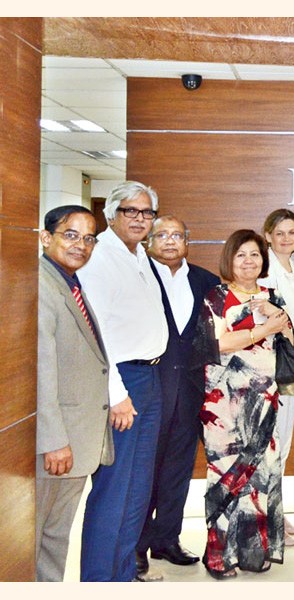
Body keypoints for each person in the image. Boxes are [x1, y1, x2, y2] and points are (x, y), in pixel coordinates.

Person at [76, 181, 168, 582]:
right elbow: (97, 334)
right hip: (123, 382)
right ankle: (99, 580)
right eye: (131, 211)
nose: (140, 219)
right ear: (111, 214)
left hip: (150, 376)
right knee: (114, 489)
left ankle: (123, 574)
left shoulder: (140, 257)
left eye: (147, 213)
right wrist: (116, 394)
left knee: (137, 488)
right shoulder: (100, 257)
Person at [197, 229, 292, 579]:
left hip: (265, 398)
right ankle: (218, 555)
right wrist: (261, 330)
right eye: (241, 255)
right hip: (224, 403)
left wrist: (273, 315)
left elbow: (291, 342)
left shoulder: (272, 295)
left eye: (254, 255)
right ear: (229, 260)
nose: (248, 261)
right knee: (226, 474)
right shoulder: (216, 297)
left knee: (261, 476)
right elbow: (217, 344)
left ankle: (253, 552)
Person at [136, 215, 220, 573]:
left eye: (177, 235)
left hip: (191, 392)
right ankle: (137, 544)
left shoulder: (206, 281)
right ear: (148, 241)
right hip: (148, 393)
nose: (170, 241)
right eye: (162, 235)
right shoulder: (137, 278)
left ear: (188, 240)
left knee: (178, 469)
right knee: (144, 472)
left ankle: (166, 539)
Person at [36, 206, 113, 581]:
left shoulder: (68, 282)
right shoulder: (40, 286)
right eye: (71, 234)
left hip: (74, 439)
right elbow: (40, 368)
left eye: (88, 238)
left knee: (54, 538)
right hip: (55, 444)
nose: (80, 244)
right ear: (45, 237)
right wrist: (53, 441)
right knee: (33, 539)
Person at [258, 208, 294, 546]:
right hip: (273, 369)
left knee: (282, 443)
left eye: (291, 232)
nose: (285, 238)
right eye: (278, 232)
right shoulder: (264, 267)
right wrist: (292, 338)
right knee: (270, 444)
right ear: (267, 235)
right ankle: (266, 519)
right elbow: (265, 311)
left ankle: (275, 509)